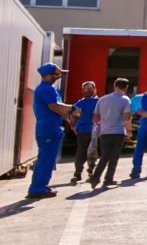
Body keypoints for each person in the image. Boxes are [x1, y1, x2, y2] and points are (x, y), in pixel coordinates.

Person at [27, 63, 74, 200]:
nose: (59, 76)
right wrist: (74, 108)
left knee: (48, 159)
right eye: (56, 74)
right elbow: (55, 107)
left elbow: (58, 108)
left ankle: (41, 186)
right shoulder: (47, 89)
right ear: (49, 75)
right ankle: (37, 188)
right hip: (48, 128)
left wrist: (67, 117)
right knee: (46, 159)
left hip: (50, 127)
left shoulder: (49, 88)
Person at [90, 78, 132, 188]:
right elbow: (126, 118)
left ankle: (95, 177)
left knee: (104, 156)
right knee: (114, 157)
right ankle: (108, 179)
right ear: (126, 88)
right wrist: (129, 132)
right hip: (118, 132)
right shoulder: (125, 99)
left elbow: (95, 117)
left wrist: (102, 124)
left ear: (114, 86)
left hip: (104, 132)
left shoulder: (102, 99)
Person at [69, 81, 100, 184]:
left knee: (81, 151)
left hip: (82, 130)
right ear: (94, 89)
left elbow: (73, 115)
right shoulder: (99, 101)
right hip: (94, 129)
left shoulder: (80, 103)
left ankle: (77, 173)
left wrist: (73, 126)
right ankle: (91, 172)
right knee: (92, 151)